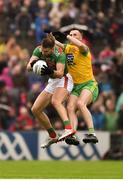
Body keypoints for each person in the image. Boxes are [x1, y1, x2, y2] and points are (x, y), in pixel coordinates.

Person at [27, 34, 75, 148]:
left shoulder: (60, 54)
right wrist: (34, 64)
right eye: (43, 50)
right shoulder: (39, 50)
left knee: (56, 101)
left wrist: (49, 71)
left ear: (53, 49)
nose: (43, 53)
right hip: (53, 81)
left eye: (46, 51)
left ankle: (69, 128)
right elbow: (28, 67)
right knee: (35, 109)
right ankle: (53, 136)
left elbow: (59, 73)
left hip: (64, 78)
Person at [54, 30, 99, 145]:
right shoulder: (68, 48)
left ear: (80, 38)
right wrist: (50, 36)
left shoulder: (84, 49)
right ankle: (72, 134)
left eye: (75, 35)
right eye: (71, 34)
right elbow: (55, 43)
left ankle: (92, 133)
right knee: (69, 107)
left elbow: (80, 45)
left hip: (89, 84)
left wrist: (68, 37)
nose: (72, 36)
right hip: (76, 86)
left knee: (80, 104)